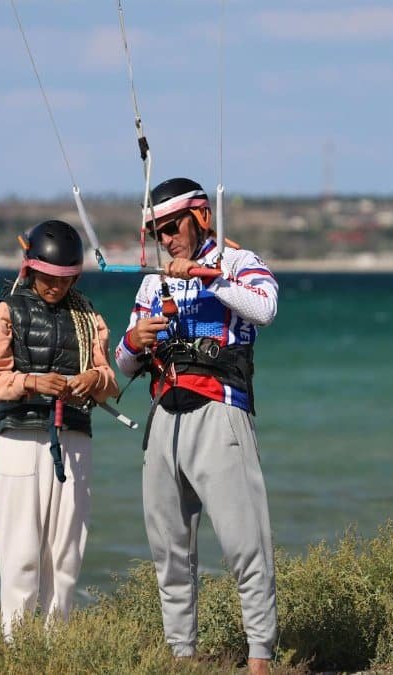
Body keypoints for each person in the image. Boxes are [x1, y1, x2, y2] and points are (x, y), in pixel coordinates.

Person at [114, 177, 278, 673]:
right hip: (164, 418)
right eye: (157, 232)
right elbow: (123, 364)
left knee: (245, 543)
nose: (166, 239)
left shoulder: (236, 261)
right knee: (170, 552)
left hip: (218, 413)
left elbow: (265, 308)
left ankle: (260, 658)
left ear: (201, 216)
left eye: (172, 227)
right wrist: (135, 339)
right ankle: (182, 657)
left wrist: (209, 277)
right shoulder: (152, 282)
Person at [0, 220, 119, 640]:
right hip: (19, 439)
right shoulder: (6, 311)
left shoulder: (90, 315)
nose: (54, 286)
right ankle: (16, 648)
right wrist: (32, 382)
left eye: (64, 278)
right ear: (29, 268)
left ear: (75, 275)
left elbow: (108, 380)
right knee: (21, 553)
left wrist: (94, 380)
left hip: (74, 438)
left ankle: (56, 648)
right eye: (47, 277)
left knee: (67, 555)